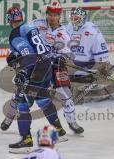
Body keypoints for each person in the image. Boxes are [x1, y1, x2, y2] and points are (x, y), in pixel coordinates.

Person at [4, 6, 66, 153]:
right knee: (42, 99)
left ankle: (26, 140)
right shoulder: (29, 27)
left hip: (35, 68)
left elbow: (28, 55)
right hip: (46, 64)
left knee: (22, 102)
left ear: (9, 20)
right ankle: (58, 131)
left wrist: (23, 72)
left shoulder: (15, 34)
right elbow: (40, 48)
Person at [31, 0, 84, 134]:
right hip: (38, 64)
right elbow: (23, 35)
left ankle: (71, 121)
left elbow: (69, 54)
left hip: (55, 66)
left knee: (66, 94)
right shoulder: (37, 24)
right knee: (26, 92)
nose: (52, 17)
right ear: (47, 13)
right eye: (50, 14)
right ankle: (12, 115)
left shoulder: (64, 32)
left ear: (59, 16)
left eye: (55, 14)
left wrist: (62, 57)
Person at [66, 7, 114, 102]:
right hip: (71, 69)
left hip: (86, 71)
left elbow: (102, 59)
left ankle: (92, 88)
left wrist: (102, 70)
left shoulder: (93, 32)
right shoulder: (68, 28)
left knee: (112, 87)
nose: (73, 21)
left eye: (76, 19)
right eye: (72, 18)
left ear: (83, 19)